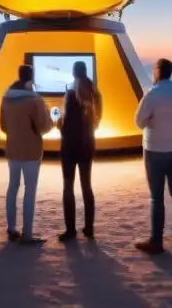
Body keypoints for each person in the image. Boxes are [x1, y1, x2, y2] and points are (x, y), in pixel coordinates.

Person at [133, 58, 172, 254]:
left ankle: (156, 241)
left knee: (157, 197)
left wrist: (152, 120)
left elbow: (139, 122)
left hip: (155, 150)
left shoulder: (152, 95)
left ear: (157, 71)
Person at [0, 64, 54, 244]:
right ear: (31, 78)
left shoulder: (6, 98)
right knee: (29, 191)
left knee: (12, 187)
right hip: (32, 151)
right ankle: (27, 234)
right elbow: (45, 126)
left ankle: (11, 228)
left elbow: (3, 126)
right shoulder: (35, 100)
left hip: (12, 149)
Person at [56, 60, 102, 242]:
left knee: (68, 186)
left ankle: (70, 229)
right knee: (86, 185)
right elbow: (97, 121)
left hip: (69, 146)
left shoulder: (70, 93)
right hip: (87, 143)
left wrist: (58, 123)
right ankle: (89, 228)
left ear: (74, 73)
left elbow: (64, 122)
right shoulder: (95, 94)